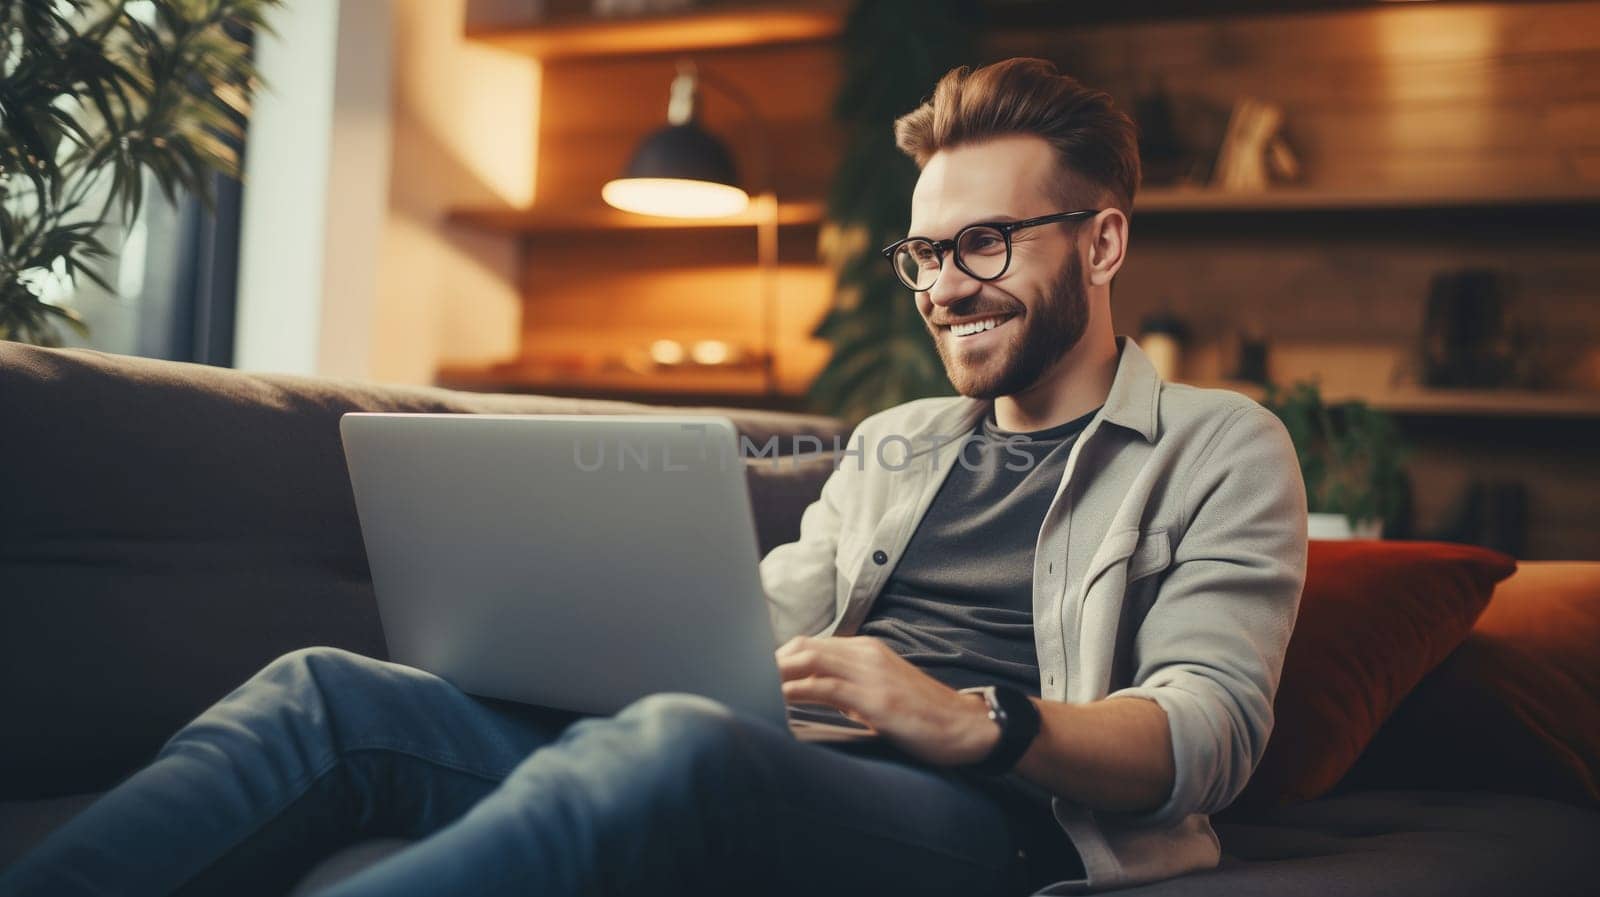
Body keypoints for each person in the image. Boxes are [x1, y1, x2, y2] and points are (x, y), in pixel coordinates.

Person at [0, 57, 1306, 897]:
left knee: (677, 747)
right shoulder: (897, 440)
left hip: (999, 823)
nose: (945, 285)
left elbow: (1209, 730)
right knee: (331, 693)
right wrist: (619, 642)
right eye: (923, 254)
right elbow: (760, 627)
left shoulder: (1219, 445)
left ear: (1105, 237)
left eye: (983, 242)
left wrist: (978, 717)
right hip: (785, 752)